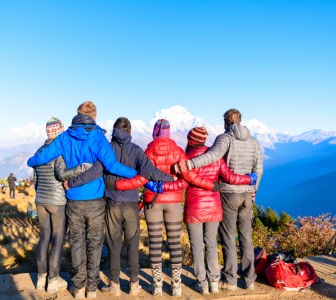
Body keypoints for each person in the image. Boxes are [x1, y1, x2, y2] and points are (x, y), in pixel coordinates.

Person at [27, 101, 137, 299]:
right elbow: (112, 166)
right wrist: (135, 174)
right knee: (94, 243)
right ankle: (92, 289)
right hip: (95, 200)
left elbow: (41, 158)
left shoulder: (64, 138)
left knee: (77, 242)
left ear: (77, 115)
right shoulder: (98, 138)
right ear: (94, 116)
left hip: (73, 200)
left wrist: (30, 161)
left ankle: (78, 288)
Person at [65, 117, 175, 296]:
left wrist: (73, 182)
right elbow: (150, 171)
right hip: (131, 204)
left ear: (114, 131)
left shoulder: (107, 149)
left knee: (114, 245)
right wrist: (171, 178)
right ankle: (134, 285)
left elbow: (94, 172)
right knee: (132, 245)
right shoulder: (137, 151)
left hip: (112, 203)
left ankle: (114, 285)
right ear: (130, 132)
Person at [115, 119, 221, 297]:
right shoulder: (178, 151)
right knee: (174, 243)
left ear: (155, 132)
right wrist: (210, 186)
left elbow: (142, 178)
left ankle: (157, 286)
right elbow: (187, 178)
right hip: (173, 203)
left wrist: (119, 186)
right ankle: (176, 285)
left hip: (153, 202)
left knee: (155, 243)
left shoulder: (148, 152)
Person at [173, 109, 263, 291]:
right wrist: (253, 190)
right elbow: (258, 169)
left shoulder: (224, 138)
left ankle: (229, 280)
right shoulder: (254, 142)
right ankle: (249, 280)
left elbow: (212, 157)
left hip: (228, 194)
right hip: (246, 194)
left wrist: (189, 164)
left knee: (227, 237)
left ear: (225, 122)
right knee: (246, 237)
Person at [33, 117, 93, 294]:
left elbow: (35, 180)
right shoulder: (59, 150)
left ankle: (40, 278)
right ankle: (53, 280)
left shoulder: (39, 151)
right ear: (59, 132)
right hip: (57, 201)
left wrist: (39, 194)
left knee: (44, 238)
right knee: (57, 240)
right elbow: (61, 175)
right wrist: (82, 168)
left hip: (40, 200)